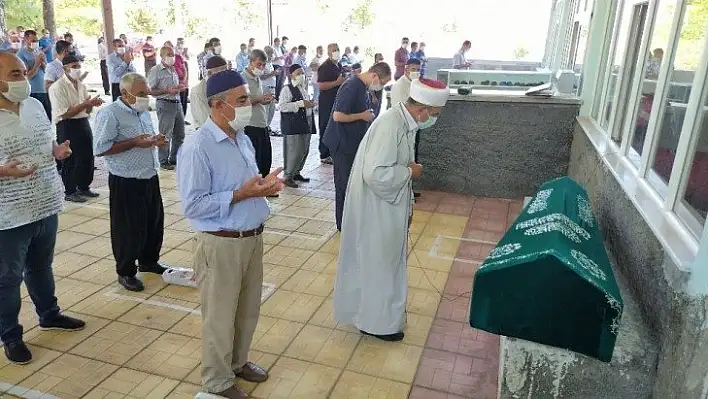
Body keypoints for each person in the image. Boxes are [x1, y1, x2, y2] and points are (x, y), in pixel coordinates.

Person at [177, 69, 283, 399]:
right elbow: (193, 206)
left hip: (251, 239)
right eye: (241, 100)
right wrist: (241, 195)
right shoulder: (198, 146)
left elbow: (248, 185)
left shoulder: (243, 138)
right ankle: (217, 380)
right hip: (221, 244)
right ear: (218, 105)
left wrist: (265, 188)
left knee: (247, 309)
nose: (248, 105)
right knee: (220, 316)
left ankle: (237, 363)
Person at [333, 78, 449, 342]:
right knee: (380, 267)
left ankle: (381, 319)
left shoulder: (402, 123)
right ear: (422, 110)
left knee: (385, 266)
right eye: (434, 115)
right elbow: (376, 174)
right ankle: (375, 323)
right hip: (377, 212)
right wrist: (410, 171)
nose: (433, 120)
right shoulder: (390, 126)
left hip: (388, 208)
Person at [0, 52, 86, 365]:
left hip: (45, 201)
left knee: (40, 266)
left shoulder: (35, 105)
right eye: (13, 74)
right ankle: (11, 336)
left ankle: (49, 314)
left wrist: (57, 150)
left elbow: (44, 140)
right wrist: (3, 171)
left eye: (22, 72)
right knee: (7, 280)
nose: (22, 79)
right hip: (9, 215)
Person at [94, 72, 169, 292]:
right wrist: (134, 143)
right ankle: (126, 271)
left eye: (147, 92)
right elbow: (101, 148)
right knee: (128, 229)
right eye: (141, 93)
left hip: (149, 175)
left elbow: (145, 138)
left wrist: (156, 141)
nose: (146, 96)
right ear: (124, 93)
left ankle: (148, 260)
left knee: (153, 223)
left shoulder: (142, 111)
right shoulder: (110, 114)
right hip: (126, 179)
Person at [323, 62, 392, 231]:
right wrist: (362, 115)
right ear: (375, 75)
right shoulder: (352, 85)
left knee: (353, 184)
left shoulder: (363, 86)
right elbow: (338, 116)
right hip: (342, 144)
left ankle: (352, 220)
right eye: (382, 82)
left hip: (352, 143)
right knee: (344, 184)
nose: (380, 86)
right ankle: (344, 225)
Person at [49, 54, 102, 203]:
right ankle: (70, 190)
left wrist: (90, 104)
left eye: (78, 66)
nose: (77, 69)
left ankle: (84, 186)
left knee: (87, 156)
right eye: (74, 66)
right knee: (70, 158)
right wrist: (84, 105)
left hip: (83, 122)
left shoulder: (81, 85)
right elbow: (65, 113)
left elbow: (86, 110)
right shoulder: (57, 87)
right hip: (67, 125)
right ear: (65, 68)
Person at [148, 45, 187, 170]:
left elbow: (174, 86)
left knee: (180, 134)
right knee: (165, 135)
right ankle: (164, 161)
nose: (172, 57)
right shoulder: (156, 70)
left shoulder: (173, 69)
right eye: (169, 54)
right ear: (162, 56)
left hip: (177, 102)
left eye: (173, 54)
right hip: (165, 103)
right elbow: (151, 91)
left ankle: (175, 158)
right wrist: (167, 90)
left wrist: (180, 87)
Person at [242, 49, 275, 183]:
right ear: (251, 62)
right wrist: (259, 100)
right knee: (255, 159)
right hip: (250, 124)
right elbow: (240, 103)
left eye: (263, 65)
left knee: (265, 157)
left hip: (262, 122)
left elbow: (258, 98)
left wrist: (265, 99)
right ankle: (256, 186)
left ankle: (264, 184)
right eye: (259, 64)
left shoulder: (256, 78)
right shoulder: (243, 79)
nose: (261, 68)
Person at [279, 64, 315, 188]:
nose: (301, 75)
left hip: (305, 123)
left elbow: (305, 104)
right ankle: (288, 176)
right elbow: (282, 107)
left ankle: (296, 172)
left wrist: (310, 104)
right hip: (292, 125)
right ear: (291, 75)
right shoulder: (287, 89)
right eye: (298, 73)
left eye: (302, 73)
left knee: (303, 150)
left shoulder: (303, 88)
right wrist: (300, 104)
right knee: (293, 151)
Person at [316, 43, 345, 165]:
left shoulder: (339, 65)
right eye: (334, 50)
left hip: (337, 100)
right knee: (325, 126)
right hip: (326, 101)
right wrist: (336, 83)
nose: (336, 52)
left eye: (337, 49)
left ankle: (333, 150)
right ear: (328, 53)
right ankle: (324, 153)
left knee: (334, 126)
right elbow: (321, 85)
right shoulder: (324, 67)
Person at [17, 30, 49, 119]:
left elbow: (47, 70)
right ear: (26, 40)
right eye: (33, 41)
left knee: (47, 117)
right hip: (33, 91)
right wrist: (37, 63)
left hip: (43, 89)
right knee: (35, 118)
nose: (35, 43)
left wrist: (42, 62)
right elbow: (27, 76)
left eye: (37, 40)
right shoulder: (21, 54)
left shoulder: (39, 51)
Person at [190, 55, 228, 128]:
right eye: (222, 72)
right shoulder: (198, 92)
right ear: (210, 73)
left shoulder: (221, 84)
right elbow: (204, 120)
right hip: (207, 131)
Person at [263, 46, 280, 135]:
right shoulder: (263, 64)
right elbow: (261, 77)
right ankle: (265, 127)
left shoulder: (270, 63)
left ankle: (268, 126)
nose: (272, 55)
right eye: (271, 53)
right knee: (266, 109)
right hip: (265, 89)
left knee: (272, 109)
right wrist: (273, 73)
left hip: (272, 89)